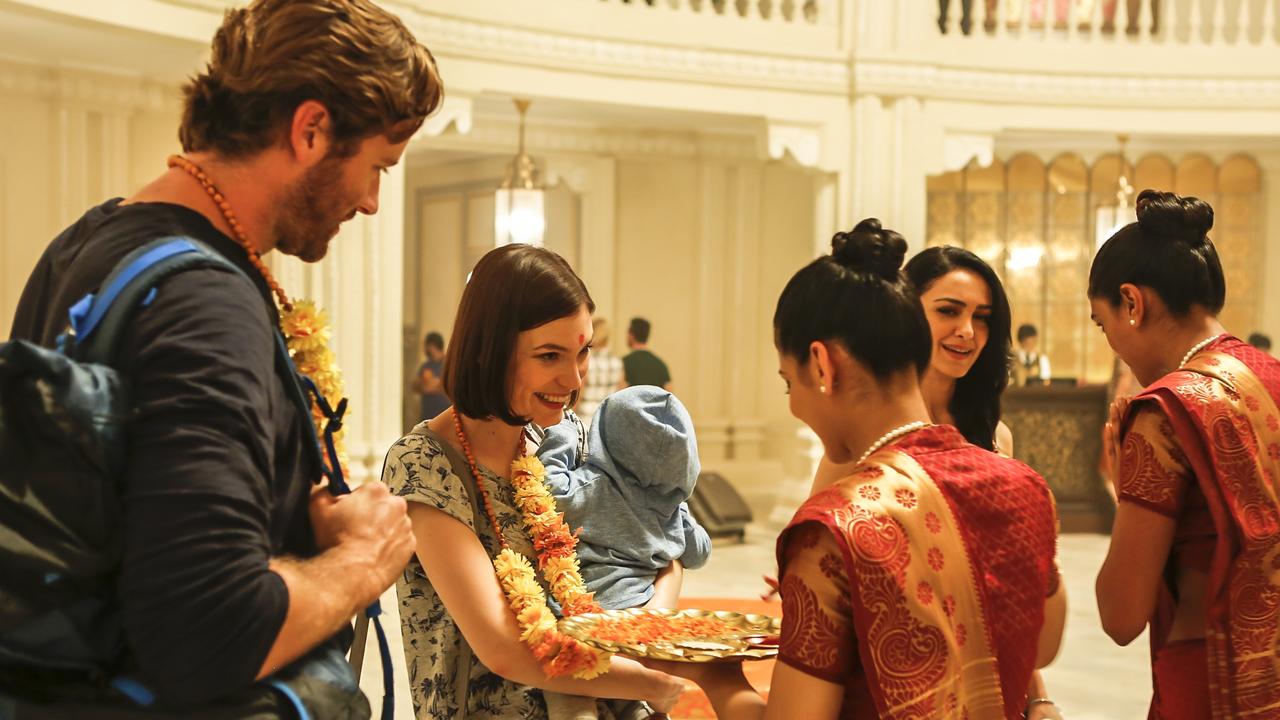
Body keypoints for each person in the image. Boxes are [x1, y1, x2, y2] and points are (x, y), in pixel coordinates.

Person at [2, 1, 441, 715]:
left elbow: (111, 508)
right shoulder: (206, 307)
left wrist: (295, 516)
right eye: (378, 166)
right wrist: (364, 562)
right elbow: (209, 631)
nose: (370, 202)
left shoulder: (83, 245)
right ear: (310, 130)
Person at [662, 219, 1064, 719]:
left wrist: (714, 677)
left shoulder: (833, 528)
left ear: (821, 366)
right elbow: (1041, 645)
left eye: (790, 384)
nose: (794, 406)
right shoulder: (1025, 487)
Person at [381, 244, 684, 719]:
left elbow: (663, 551)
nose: (573, 378)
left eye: (582, 352)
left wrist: (643, 629)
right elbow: (503, 647)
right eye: (549, 356)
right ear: (490, 351)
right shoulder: (425, 463)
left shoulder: (571, 439)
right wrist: (651, 682)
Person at [806, 244, 1061, 718]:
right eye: (948, 311)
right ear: (905, 314)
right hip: (888, 681)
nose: (967, 331)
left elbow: (1004, 593)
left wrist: (1039, 697)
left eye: (982, 317)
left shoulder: (993, 436)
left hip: (984, 686)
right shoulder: (863, 431)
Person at [1093, 190, 1280, 718]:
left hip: (1212, 678)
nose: (1113, 343)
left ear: (1133, 303)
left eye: (1103, 324)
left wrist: (1121, 487)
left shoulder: (1164, 413)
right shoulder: (1272, 378)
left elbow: (1120, 614)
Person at [537, 385, 713, 719]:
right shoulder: (671, 512)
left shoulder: (593, 487)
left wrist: (560, 432)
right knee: (634, 701)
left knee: (569, 694)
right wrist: (680, 508)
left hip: (583, 621)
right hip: (637, 620)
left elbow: (549, 488)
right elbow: (699, 553)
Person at [576, 317, 624, 428]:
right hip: (607, 418)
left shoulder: (587, 361)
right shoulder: (617, 362)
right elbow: (620, 393)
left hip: (586, 418)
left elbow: (579, 393)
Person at [621, 317, 671, 390]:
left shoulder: (624, 363)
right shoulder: (660, 364)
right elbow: (669, 391)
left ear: (631, 335)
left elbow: (620, 391)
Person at [414, 330, 449, 423]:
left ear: (431, 346)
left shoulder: (449, 364)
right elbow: (415, 386)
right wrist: (422, 385)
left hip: (444, 415)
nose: (424, 348)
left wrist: (437, 386)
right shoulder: (426, 365)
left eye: (426, 345)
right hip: (427, 416)